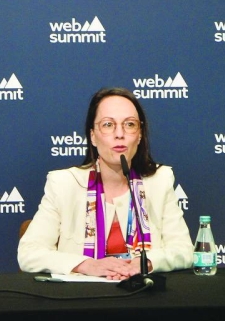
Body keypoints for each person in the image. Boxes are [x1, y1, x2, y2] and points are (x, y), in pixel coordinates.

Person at [18, 87, 193, 279]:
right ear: (93, 135)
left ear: (140, 135)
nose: (119, 134)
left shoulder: (159, 181)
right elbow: (29, 253)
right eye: (108, 125)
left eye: (130, 124)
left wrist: (146, 262)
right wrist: (86, 265)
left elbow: (184, 251)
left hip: (142, 299)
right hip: (83, 301)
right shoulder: (64, 184)